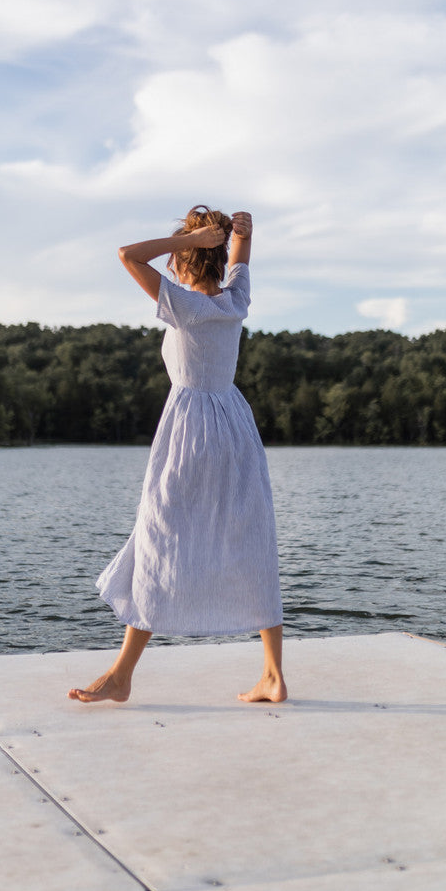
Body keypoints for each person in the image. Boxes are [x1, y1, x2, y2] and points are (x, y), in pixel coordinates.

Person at [68, 206, 287, 705]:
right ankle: (273, 674)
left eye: (177, 260)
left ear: (186, 262)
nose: (170, 267)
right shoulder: (235, 300)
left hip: (190, 430)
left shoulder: (185, 306)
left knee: (158, 538)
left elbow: (127, 255)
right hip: (234, 425)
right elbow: (239, 263)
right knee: (250, 539)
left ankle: (122, 674)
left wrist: (189, 242)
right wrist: (240, 237)